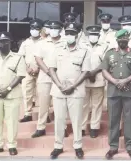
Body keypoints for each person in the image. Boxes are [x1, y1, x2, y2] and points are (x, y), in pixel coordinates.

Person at [47, 22, 90, 159]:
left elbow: (85, 72)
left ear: (77, 35)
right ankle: (58, 146)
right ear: (65, 34)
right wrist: (60, 85)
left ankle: (78, 146)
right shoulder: (57, 48)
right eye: (68, 33)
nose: (70, 35)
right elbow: (51, 69)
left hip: (76, 91)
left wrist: (72, 86)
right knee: (59, 120)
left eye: (72, 33)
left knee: (77, 120)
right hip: (58, 90)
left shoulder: (84, 50)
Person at [100, 29, 131, 159]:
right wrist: (114, 81)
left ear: (128, 40)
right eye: (120, 39)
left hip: (129, 91)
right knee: (113, 119)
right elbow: (104, 70)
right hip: (113, 91)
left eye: (125, 39)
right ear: (117, 40)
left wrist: (126, 80)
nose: (123, 41)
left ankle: (130, 147)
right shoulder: (110, 53)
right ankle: (113, 147)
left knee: (129, 120)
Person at [0, 31, 26, 157]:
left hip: (12, 95)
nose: (3, 43)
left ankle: (12, 145)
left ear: (10, 42)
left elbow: (20, 75)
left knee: (12, 121)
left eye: (6, 41)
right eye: (0, 41)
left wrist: (7, 89)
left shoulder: (18, 58)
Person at [32, 21, 66, 138]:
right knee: (43, 104)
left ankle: (63, 128)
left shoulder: (65, 42)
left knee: (61, 104)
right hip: (45, 76)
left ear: (60, 29)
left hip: (61, 77)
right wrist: (47, 71)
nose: (53, 30)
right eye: (51, 28)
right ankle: (41, 127)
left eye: (56, 28)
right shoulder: (42, 43)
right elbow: (38, 59)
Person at [81, 25, 109, 138]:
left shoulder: (104, 46)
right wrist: (88, 73)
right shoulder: (81, 45)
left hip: (98, 79)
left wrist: (93, 72)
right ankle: (82, 127)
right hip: (84, 79)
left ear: (99, 35)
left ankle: (94, 127)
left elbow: (106, 62)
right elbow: (79, 61)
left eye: (96, 35)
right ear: (88, 35)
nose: (93, 36)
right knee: (84, 105)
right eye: (91, 34)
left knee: (97, 105)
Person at [18, 19, 44, 123]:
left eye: (36, 29)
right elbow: (20, 57)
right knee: (27, 92)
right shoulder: (25, 43)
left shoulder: (44, 42)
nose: (34, 30)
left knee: (42, 93)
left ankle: (44, 114)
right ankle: (27, 113)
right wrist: (27, 68)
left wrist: (39, 68)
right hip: (27, 70)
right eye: (32, 28)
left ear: (40, 30)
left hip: (41, 70)